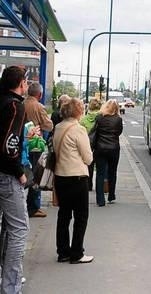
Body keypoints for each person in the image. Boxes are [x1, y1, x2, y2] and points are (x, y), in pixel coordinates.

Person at [0, 65, 30, 293]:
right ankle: (11, 287)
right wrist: (20, 172)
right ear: (20, 84)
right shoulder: (15, 106)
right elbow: (10, 145)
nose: (27, 86)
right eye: (26, 82)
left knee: (5, 229)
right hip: (7, 176)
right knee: (18, 230)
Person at [53, 97, 94, 264]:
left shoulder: (58, 127)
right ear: (79, 111)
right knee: (81, 216)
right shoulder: (79, 129)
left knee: (64, 215)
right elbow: (88, 157)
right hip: (77, 177)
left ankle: (63, 252)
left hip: (60, 176)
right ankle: (77, 252)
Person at [24, 82, 54, 218]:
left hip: (23, 142)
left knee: (25, 172)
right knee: (36, 174)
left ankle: (24, 204)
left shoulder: (21, 103)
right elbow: (49, 125)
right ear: (40, 94)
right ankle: (34, 207)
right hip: (35, 144)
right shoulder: (39, 106)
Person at [93, 99, 123, 206]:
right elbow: (119, 132)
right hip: (114, 148)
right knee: (112, 172)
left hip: (100, 148)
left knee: (100, 173)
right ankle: (111, 195)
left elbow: (95, 132)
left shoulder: (99, 118)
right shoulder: (118, 119)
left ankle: (100, 199)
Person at [80, 98, 102, 191]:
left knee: (89, 166)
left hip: (88, 145)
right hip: (99, 145)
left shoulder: (83, 119)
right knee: (100, 167)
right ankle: (100, 187)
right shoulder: (102, 118)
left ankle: (89, 185)